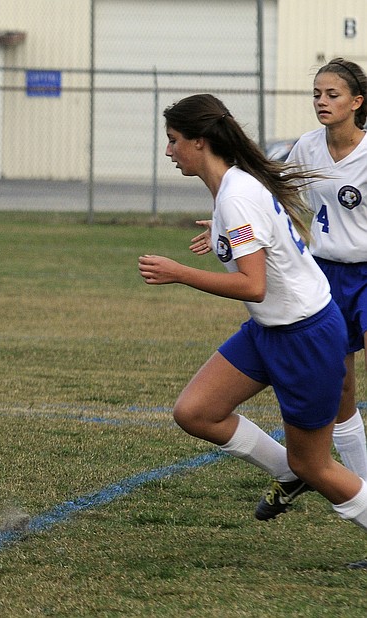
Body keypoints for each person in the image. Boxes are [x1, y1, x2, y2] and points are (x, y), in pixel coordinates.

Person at [138, 93, 367, 564]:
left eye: (173, 140)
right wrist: (224, 231)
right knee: (196, 411)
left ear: (199, 142)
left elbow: (253, 285)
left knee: (318, 465)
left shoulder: (238, 194)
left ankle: (300, 471)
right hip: (269, 331)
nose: (168, 151)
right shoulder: (232, 189)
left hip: (303, 335)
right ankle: (289, 472)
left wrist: (179, 272)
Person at [253, 58, 367, 521]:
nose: (322, 101)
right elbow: (271, 192)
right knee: (340, 389)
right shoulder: (306, 147)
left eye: (332, 94)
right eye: (317, 93)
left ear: (357, 102)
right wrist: (230, 227)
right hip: (323, 277)